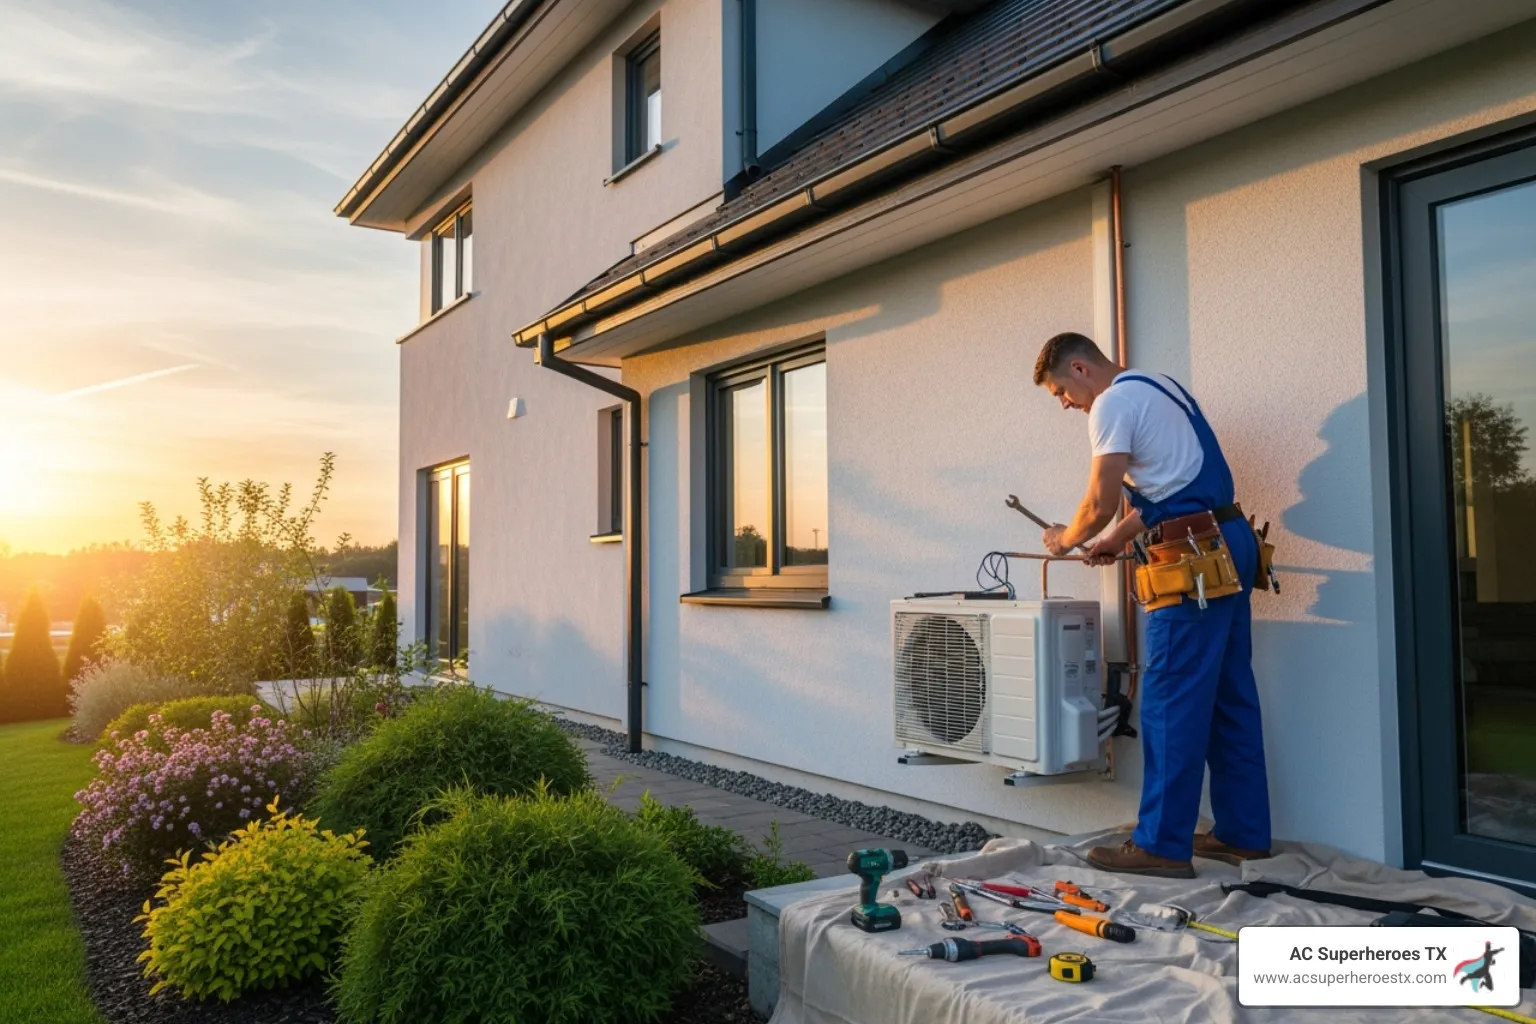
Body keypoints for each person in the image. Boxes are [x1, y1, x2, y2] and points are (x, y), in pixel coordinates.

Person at [1033, 331, 1272, 878]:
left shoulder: (1111, 403)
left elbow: (1098, 502)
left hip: (1189, 559)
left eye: (1060, 393)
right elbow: (1182, 486)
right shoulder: (1159, 387)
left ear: (1080, 368)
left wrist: (1067, 538)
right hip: (1227, 541)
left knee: (1170, 698)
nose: (1066, 405)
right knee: (1230, 694)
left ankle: (1162, 845)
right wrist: (1118, 538)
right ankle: (1244, 835)